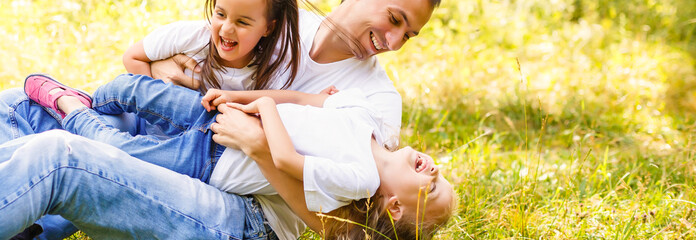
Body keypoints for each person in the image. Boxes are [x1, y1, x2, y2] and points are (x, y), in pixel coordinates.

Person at [3, 0, 445, 238]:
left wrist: (260, 147)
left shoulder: (377, 100)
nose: (393, 41)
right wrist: (163, 73)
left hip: (244, 215)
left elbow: (342, 230)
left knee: (61, 157)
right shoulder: (275, 16)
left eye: (408, 34)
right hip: (189, 135)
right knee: (16, 107)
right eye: (394, 19)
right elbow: (175, 59)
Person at [122, 0, 300, 92]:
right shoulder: (191, 36)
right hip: (143, 121)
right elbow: (132, 57)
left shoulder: (268, 74)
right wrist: (153, 97)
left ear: (268, 28)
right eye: (221, 14)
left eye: (242, 22)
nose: (227, 28)